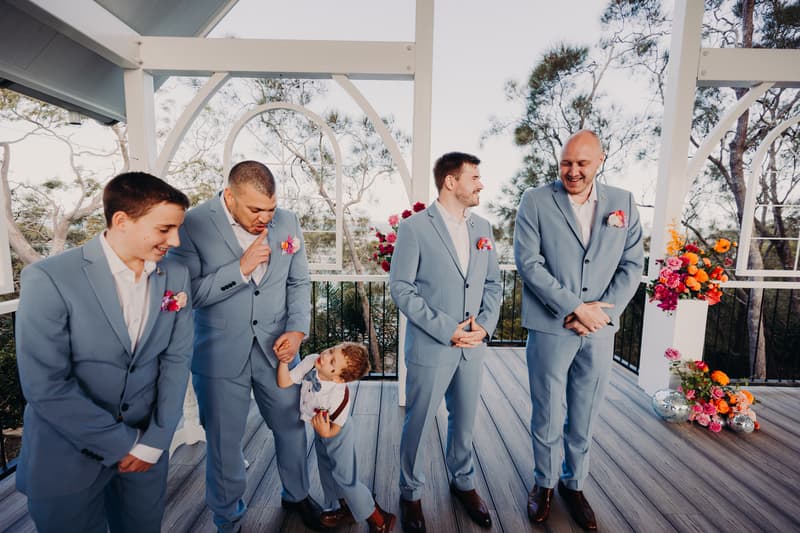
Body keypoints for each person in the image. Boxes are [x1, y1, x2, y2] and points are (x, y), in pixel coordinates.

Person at [15, 172, 193, 533]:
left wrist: (155, 442)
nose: (174, 240)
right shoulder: (49, 278)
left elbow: (176, 362)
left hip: (147, 455)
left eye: (177, 229)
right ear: (122, 221)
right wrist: (125, 445)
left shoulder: (176, 275)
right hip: (65, 459)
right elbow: (45, 385)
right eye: (164, 229)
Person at [169, 160, 319, 532]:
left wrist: (298, 330)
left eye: (270, 208)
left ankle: (297, 495)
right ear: (230, 195)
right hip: (218, 355)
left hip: (279, 353)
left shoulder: (288, 221)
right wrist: (239, 269)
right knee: (223, 442)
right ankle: (228, 518)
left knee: (292, 426)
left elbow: (299, 283)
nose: (266, 219)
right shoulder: (191, 223)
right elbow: (185, 294)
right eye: (255, 210)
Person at [513, 130, 644, 530]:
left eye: (581, 164)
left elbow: (632, 264)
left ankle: (574, 484)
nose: (572, 171)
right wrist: (574, 307)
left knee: (584, 413)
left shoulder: (623, 202)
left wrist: (600, 315)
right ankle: (544, 484)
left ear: (600, 161)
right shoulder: (535, 200)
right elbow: (528, 263)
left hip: (599, 331)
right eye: (566, 163)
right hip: (552, 326)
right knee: (548, 411)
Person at [389, 152, 502, 532]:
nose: (481, 184)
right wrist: (446, 328)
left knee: (465, 421)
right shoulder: (415, 227)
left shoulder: (484, 228)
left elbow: (493, 285)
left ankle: (464, 482)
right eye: (474, 177)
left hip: (474, 347)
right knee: (418, 422)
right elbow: (402, 289)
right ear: (450, 182)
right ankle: (410, 493)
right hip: (432, 346)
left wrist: (484, 327)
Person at [277, 342, 396, 532]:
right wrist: (283, 362)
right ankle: (343, 508)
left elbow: (337, 427)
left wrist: (326, 432)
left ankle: (379, 519)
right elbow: (285, 382)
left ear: (340, 379)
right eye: (331, 350)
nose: (324, 356)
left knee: (345, 478)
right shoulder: (311, 361)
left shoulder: (339, 394)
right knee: (326, 471)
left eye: (332, 360)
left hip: (337, 433)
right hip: (320, 429)